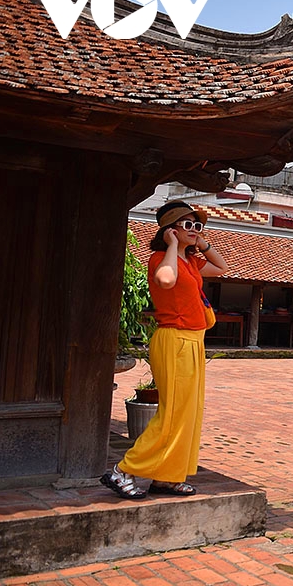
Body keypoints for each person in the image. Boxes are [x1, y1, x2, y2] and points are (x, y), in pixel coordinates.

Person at [101, 201, 227, 499]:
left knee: (188, 414)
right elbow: (165, 280)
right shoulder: (162, 258)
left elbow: (221, 267)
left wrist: (201, 242)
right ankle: (124, 471)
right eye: (188, 225)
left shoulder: (191, 262)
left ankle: (167, 477)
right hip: (174, 339)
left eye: (198, 225)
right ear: (171, 229)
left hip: (194, 340)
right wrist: (172, 245)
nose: (195, 230)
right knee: (171, 414)